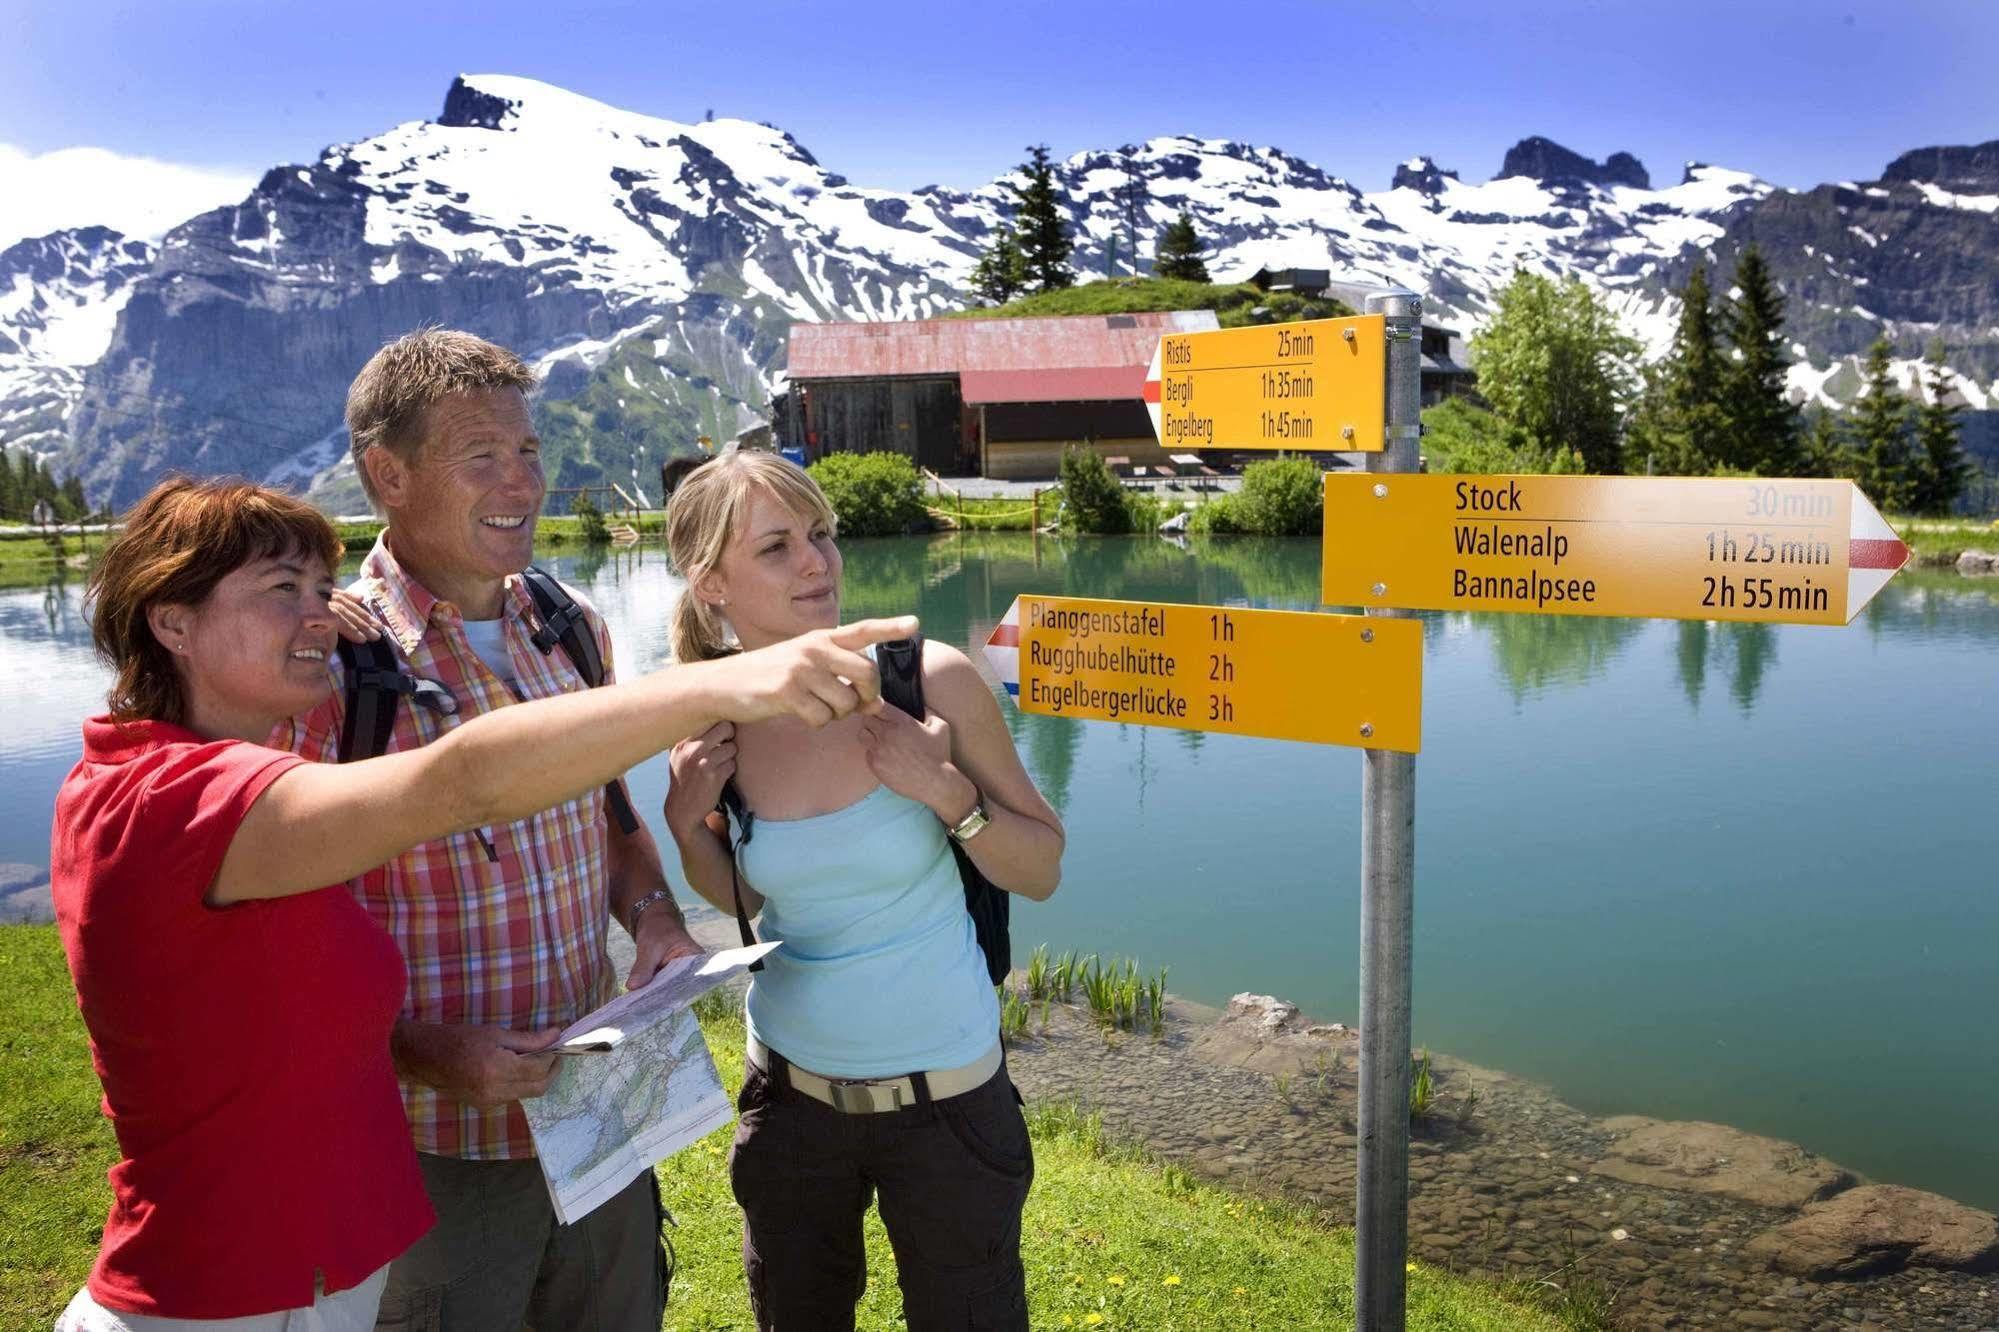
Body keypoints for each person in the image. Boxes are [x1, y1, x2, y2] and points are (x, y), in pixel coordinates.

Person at [52, 475, 913, 1331]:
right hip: (223, 1299)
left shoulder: (191, 782)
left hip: (311, 1281)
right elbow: (461, 783)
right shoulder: (176, 803)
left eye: (322, 588)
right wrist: (727, 684)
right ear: (172, 622)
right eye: (284, 591)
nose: (322, 615)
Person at [274, 328, 735, 1331]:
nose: (519, 482)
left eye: (527, 451)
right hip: (428, 1148)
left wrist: (656, 922)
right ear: (387, 474)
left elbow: (613, 827)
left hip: (595, 1114)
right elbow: (277, 939)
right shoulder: (326, 672)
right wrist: (422, 1050)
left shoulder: (573, 626)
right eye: (480, 454)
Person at [661, 451, 1066, 1331]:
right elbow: (745, 901)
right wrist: (688, 821)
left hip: (950, 1106)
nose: (817, 562)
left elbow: (1039, 868)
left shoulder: (930, 682)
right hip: (790, 1105)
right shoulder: (707, 718)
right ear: (712, 585)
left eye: (821, 535)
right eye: (777, 547)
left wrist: (946, 792)